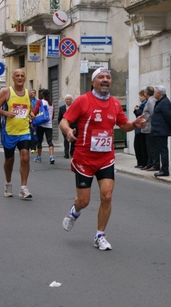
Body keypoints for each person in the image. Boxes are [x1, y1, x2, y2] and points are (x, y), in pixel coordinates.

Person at [59, 67, 146, 251]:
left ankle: (100, 235)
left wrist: (135, 124)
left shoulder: (114, 104)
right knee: (84, 201)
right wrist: (68, 131)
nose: (105, 79)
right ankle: (75, 211)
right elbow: (64, 121)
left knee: (107, 196)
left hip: (106, 158)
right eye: (101, 77)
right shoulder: (83, 100)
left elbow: (123, 125)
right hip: (84, 158)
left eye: (108, 77)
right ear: (93, 82)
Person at [0, 68, 34, 199]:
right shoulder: (6, 92)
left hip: (24, 131)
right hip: (9, 131)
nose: (20, 78)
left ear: (25, 78)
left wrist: (31, 114)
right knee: (9, 160)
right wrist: (7, 113)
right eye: (17, 76)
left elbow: (28, 109)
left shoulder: (28, 94)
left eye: (22, 76)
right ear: (13, 78)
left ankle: (23, 188)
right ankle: (8, 183)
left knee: (25, 157)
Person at [150, 85, 171, 177]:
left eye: (155, 92)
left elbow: (168, 116)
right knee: (161, 150)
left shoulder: (164, 102)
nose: (154, 94)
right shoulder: (160, 102)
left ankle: (165, 169)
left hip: (161, 130)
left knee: (163, 150)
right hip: (158, 130)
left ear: (159, 93)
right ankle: (163, 168)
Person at [33, 89, 55, 164]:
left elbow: (35, 111)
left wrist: (32, 120)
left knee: (39, 141)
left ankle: (39, 157)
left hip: (41, 124)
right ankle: (51, 156)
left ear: (42, 95)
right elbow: (52, 117)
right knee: (50, 141)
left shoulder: (40, 101)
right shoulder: (52, 104)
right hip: (49, 125)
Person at [141, 86, 160, 171]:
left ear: (146, 93)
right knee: (149, 147)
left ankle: (155, 164)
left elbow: (153, 113)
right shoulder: (149, 101)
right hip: (146, 127)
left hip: (150, 127)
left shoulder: (151, 101)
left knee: (153, 147)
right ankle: (150, 163)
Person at [58, 94, 77, 158]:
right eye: (67, 99)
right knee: (66, 140)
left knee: (73, 140)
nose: (68, 100)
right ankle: (66, 154)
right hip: (65, 127)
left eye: (70, 99)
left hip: (74, 126)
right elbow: (59, 118)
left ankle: (72, 153)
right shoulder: (62, 108)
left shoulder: (75, 107)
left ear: (72, 100)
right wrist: (61, 126)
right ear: (65, 100)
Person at [133, 90, 148, 168]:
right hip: (138, 129)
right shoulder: (141, 104)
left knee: (141, 147)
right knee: (137, 146)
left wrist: (136, 110)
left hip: (142, 129)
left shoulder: (145, 104)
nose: (140, 97)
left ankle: (143, 162)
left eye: (141, 96)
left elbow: (141, 115)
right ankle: (140, 162)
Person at [29, 89, 38, 153]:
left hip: (36, 119)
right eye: (31, 93)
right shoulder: (27, 100)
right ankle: (32, 147)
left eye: (33, 93)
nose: (32, 94)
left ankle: (35, 146)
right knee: (31, 133)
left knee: (35, 133)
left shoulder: (37, 101)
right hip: (28, 119)